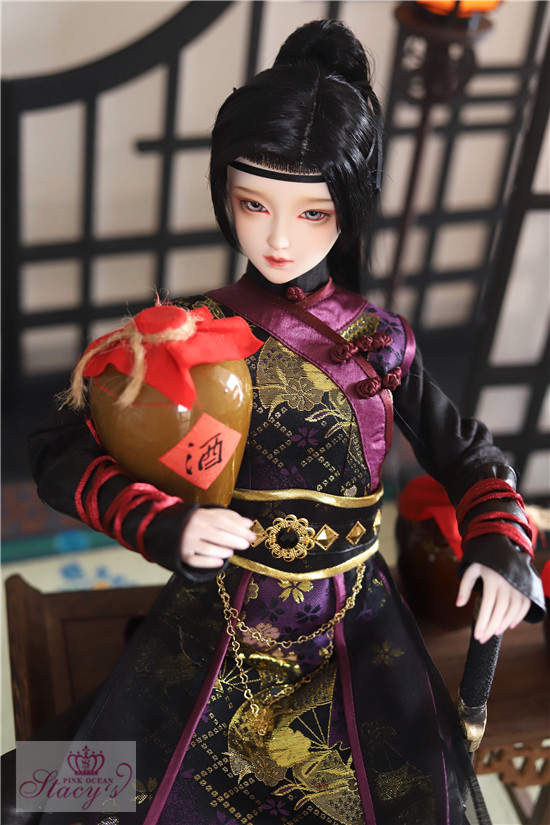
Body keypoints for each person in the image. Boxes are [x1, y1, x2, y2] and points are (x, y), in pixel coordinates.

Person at [26, 19, 544, 825]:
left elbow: (470, 456)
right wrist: (163, 523)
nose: (275, 236)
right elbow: (62, 450)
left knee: (407, 796)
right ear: (225, 195)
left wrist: (501, 547)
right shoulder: (186, 332)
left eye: (312, 212)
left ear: (349, 209)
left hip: (355, 626)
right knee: (60, 787)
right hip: (223, 610)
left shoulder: (381, 342)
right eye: (253, 203)